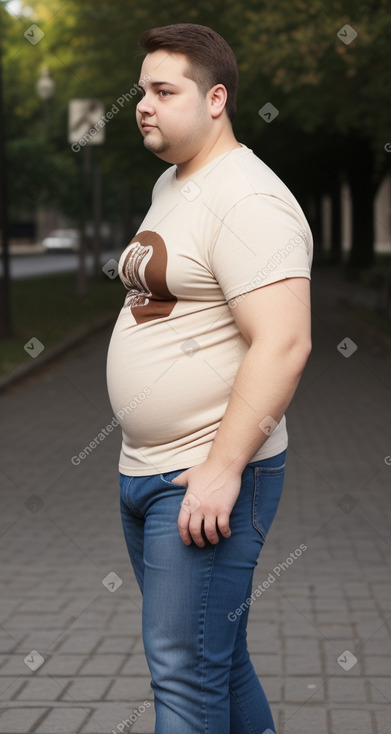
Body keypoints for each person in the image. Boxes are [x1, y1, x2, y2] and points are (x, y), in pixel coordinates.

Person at [106, 22, 313, 734]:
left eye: (165, 91)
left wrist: (223, 470)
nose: (144, 105)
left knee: (182, 674)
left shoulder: (247, 199)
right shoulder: (173, 181)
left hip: (204, 475)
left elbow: (283, 342)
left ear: (216, 98)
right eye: (142, 90)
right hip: (149, 470)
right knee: (212, 662)